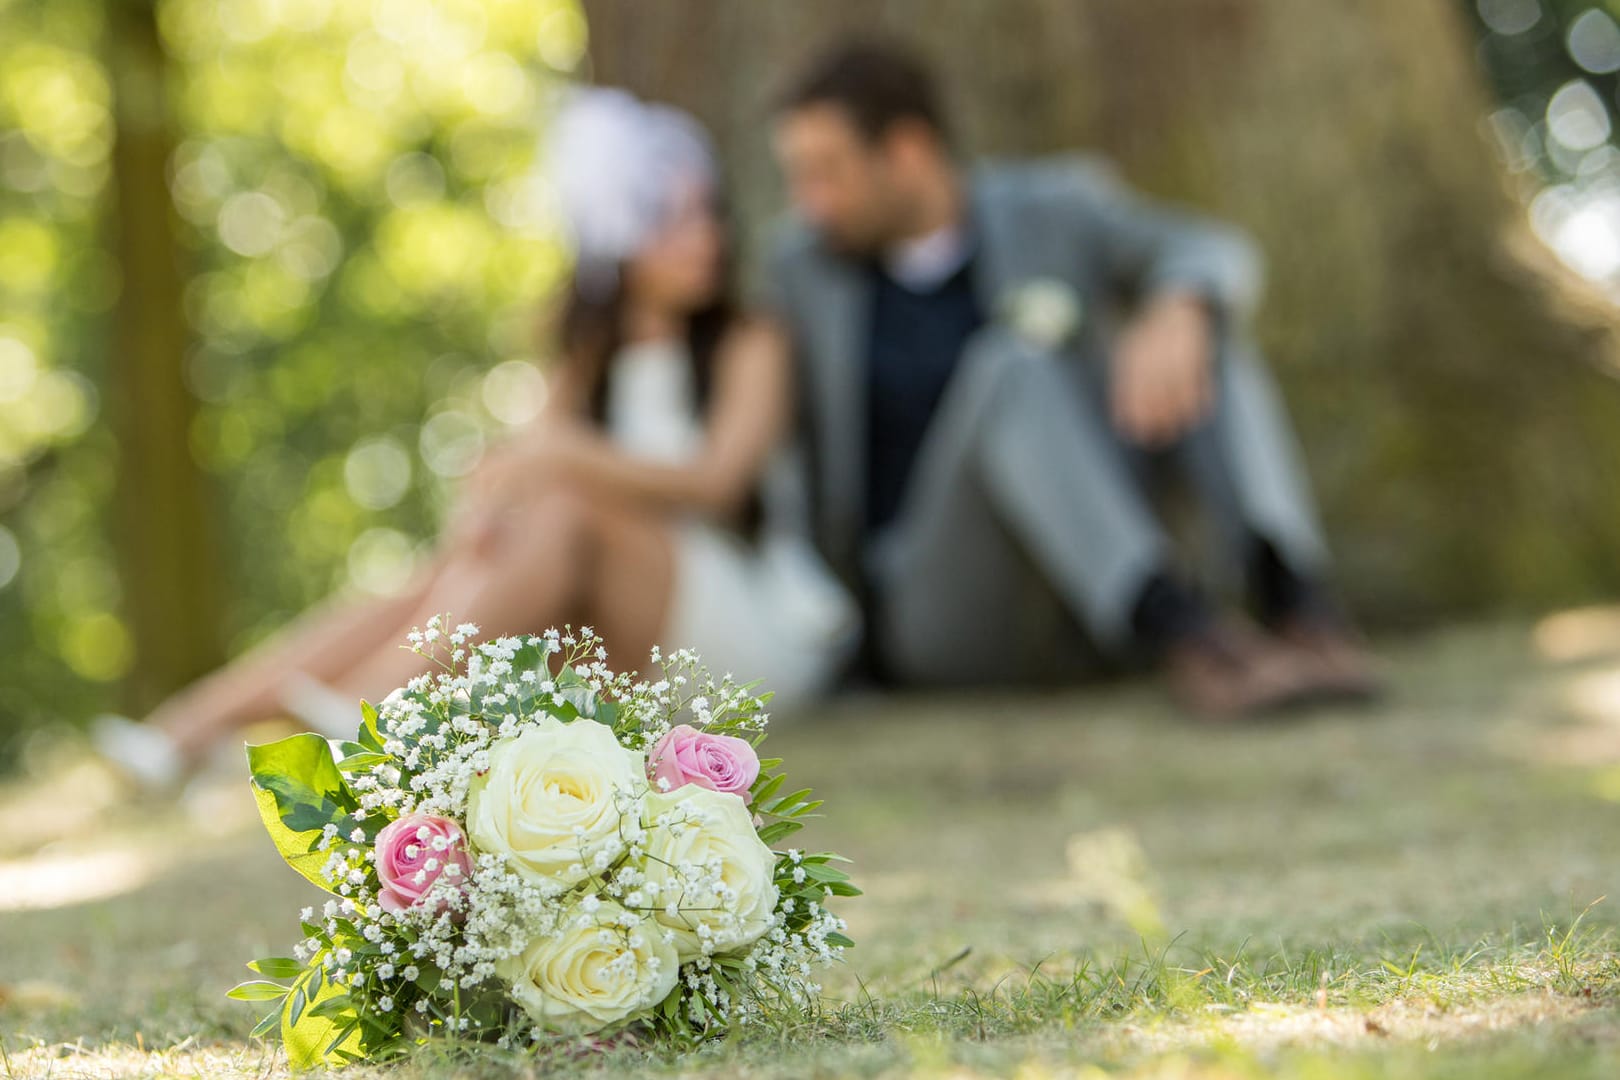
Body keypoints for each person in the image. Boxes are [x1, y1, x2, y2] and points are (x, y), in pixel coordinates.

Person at [93, 89, 856, 789]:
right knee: (443, 571)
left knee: (564, 510)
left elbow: (714, 483)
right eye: (675, 220)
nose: (705, 239)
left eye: (707, 215)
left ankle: (361, 711)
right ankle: (194, 730)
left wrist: (556, 458)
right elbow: (520, 472)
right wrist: (484, 519)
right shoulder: (584, 355)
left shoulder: (752, 340)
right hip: (627, 631)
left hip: (747, 625)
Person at [763, 38, 1378, 717]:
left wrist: (1179, 308)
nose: (810, 202)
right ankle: (1196, 642)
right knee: (1008, 365)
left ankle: (1298, 607)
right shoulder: (800, 275)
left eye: (825, 172)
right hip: (942, 610)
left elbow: (1208, 247)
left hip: (1085, 591)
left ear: (906, 150)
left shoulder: (1054, 205)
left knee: (1201, 326)